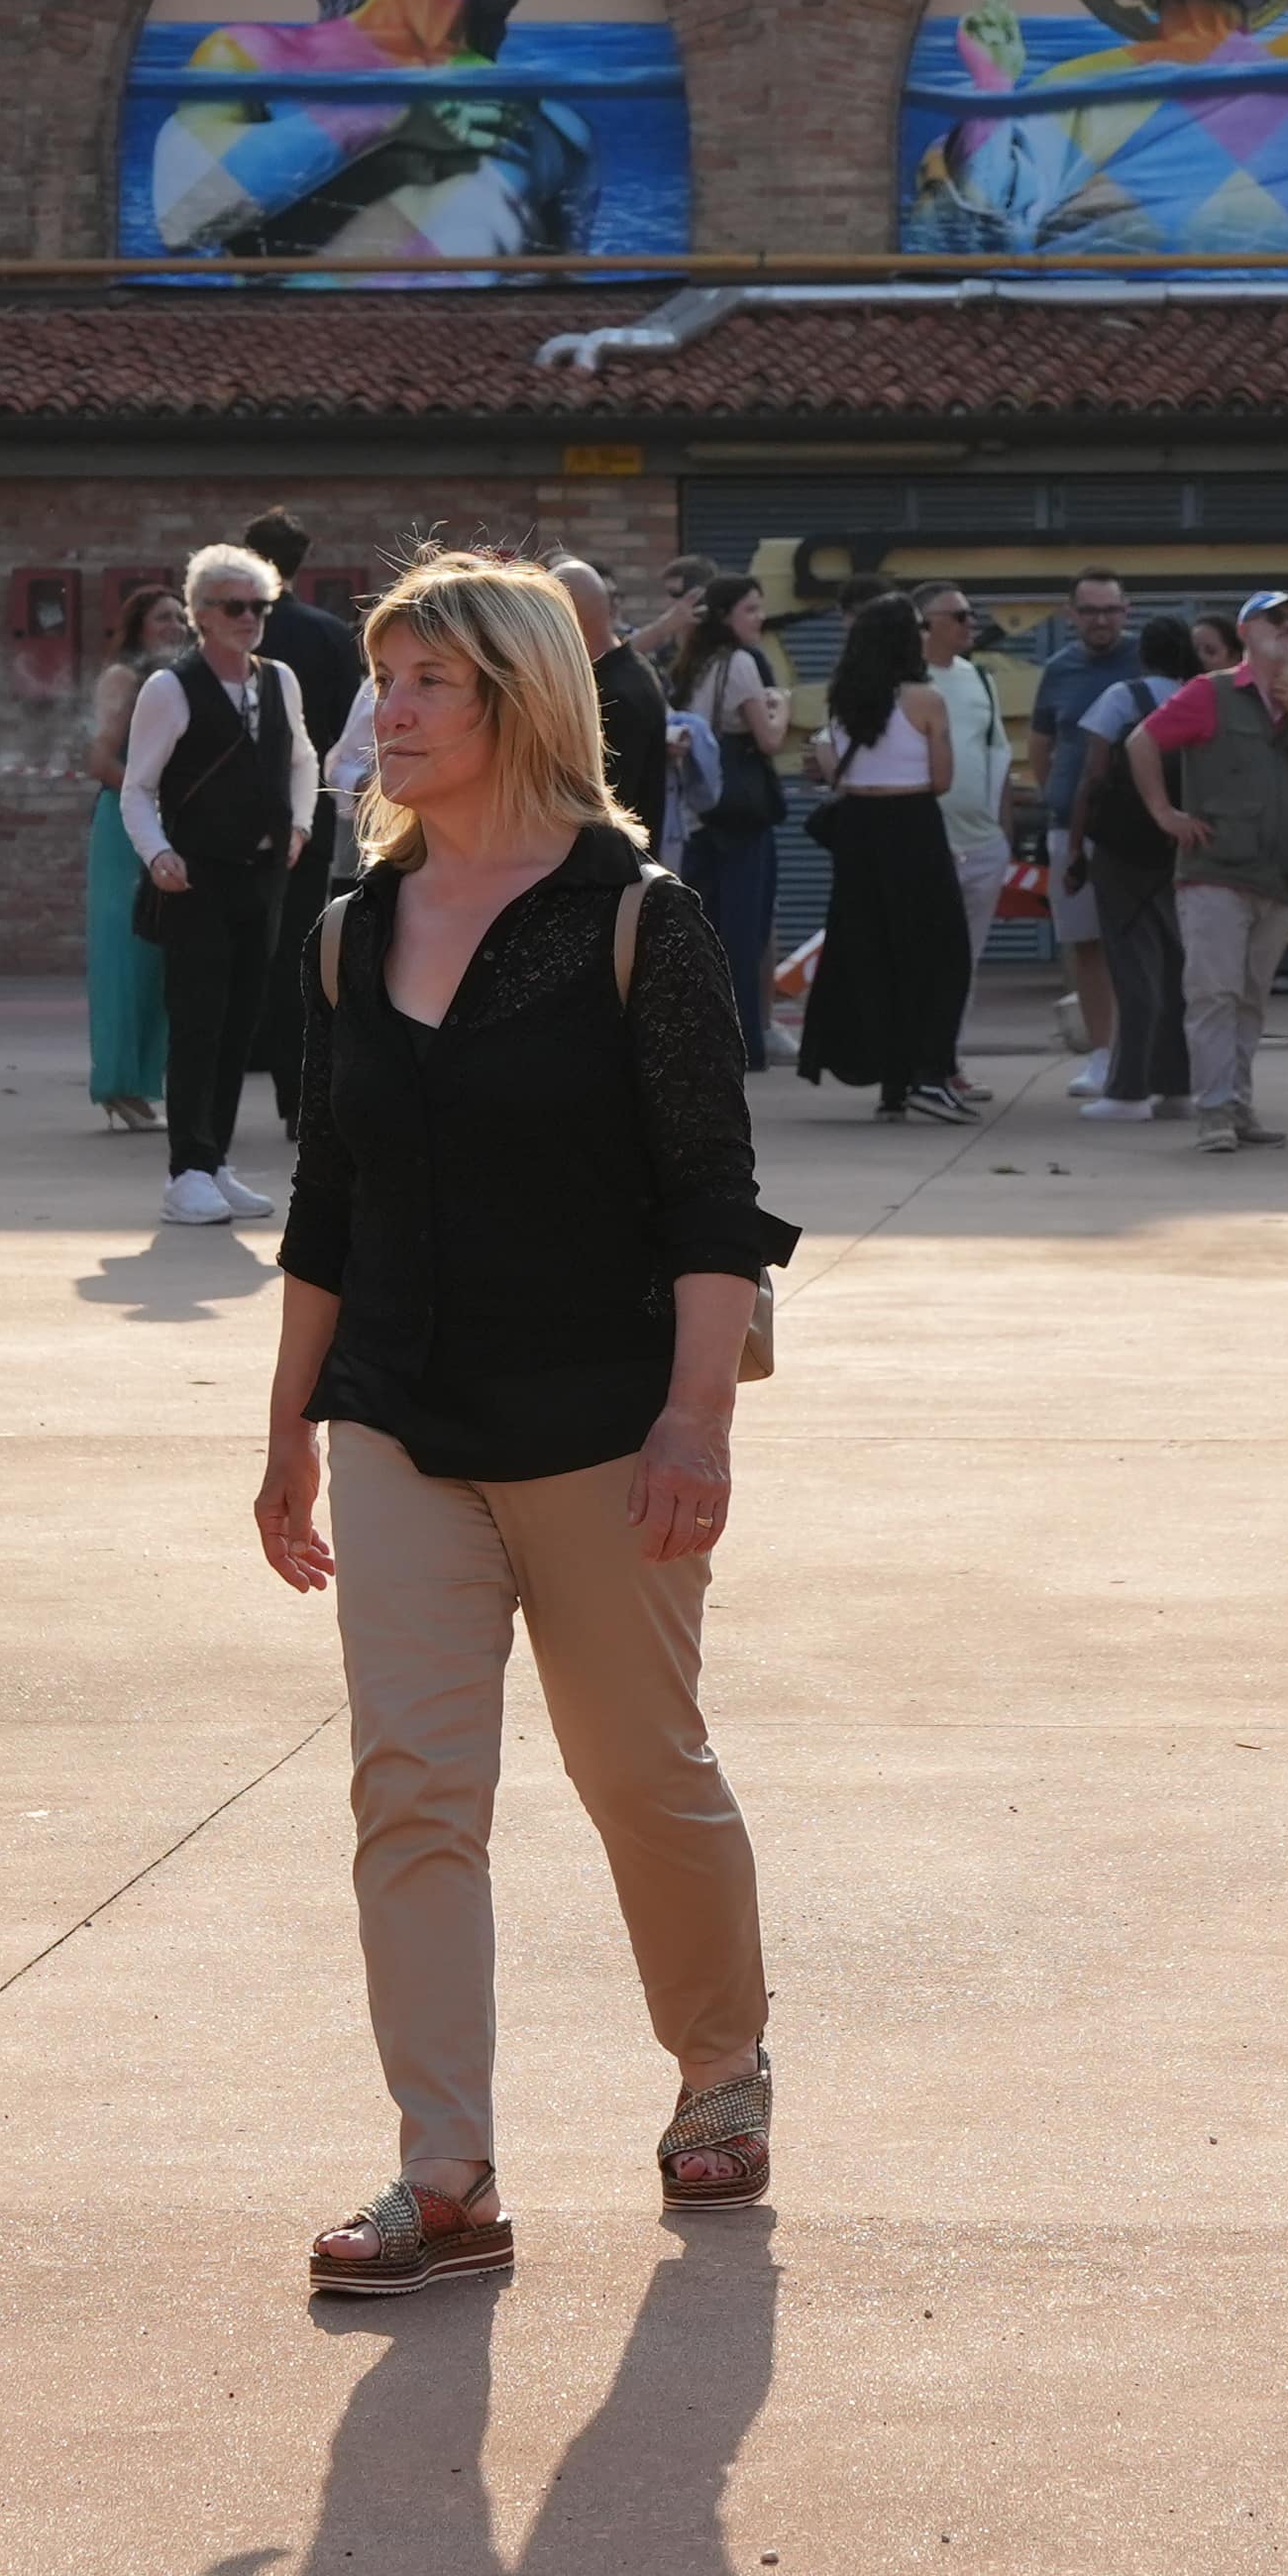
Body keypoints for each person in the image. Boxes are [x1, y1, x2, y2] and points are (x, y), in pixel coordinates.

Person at [252, 556, 796, 2296]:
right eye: (383, 680)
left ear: (519, 700)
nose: (387, 712)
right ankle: (447, 2173)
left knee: (638, 1770)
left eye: (426, 683)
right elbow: (329, 1202)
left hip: (602, 1423)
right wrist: (288, 1428)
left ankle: (720, 2064)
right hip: (397, 1419)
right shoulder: (349, 929)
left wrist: (696, 1424)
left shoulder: (640, 922)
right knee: (411, 1791)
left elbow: (712, 1201)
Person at [124, 543, 320, 1228]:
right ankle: (186, 1170)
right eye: (235, 607)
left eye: (259, 606)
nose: (250, 618)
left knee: (242, 1024)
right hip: (197, 879)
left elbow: (303, 759)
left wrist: (300, 826)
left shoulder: (280, 680)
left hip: (262, 877)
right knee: (198, 1022)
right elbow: (137, 789)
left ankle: (215, 1160)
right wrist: (157, 853)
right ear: (201, 614)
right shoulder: (169, 689)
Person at [1128, 591, 1288, 1153]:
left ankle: (1237, 1106)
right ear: (1245, 631)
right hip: (1215, 870)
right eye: (1276, 619)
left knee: (1250, 999)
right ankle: (1214, 1111)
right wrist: (1165, 814)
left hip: (1276, 873)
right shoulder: (1210, 692)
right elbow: (1142, 741)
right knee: (1213, 993)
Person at [791, 593, 986, 1125]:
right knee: (941, 952)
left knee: (872, 951)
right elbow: (942, 779)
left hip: (858, 830)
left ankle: (893, 1085)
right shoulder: (925, 700)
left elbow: (837, 772)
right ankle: (930, 1072)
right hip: (912, 825)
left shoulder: (844, 698)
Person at [242, 513, 367, 1129]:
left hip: (233, 818)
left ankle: (216, 1102)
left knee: (234, 953)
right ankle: (297, 1100)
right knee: (299, 953)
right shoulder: (328, 634)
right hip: (307, 811)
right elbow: (348, 734)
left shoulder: (227, 635)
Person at [1065, 616, 1197, 1121]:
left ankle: (1127, 1091)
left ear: (1144, 655)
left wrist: (1075, 849)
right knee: (1176, 965)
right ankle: (1177, 1086)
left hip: (1122, 850)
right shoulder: (1198, 697)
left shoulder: (1123, 697)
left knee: (1131, 966)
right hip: (1182, 847)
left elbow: (1093, 777)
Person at [658, 564, 787, 1067]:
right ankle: (746, 1042)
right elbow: (769, 739)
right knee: (744, 933)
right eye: (750, 609)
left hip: (701, 810)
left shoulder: (692, 663)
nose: (759, 618)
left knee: (705, 930)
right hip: (742, 814)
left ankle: (702, 1040)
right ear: (727, 616)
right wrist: (780, 706)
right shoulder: (742, 663)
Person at [1025, 569, 1151, 1077]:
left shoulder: (1149, 661)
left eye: (1111, 610)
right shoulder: (1058, 669)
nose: (1101, 620)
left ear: (1127, 610)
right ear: (1070, 614)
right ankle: (1102, 1056)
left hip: (1138, 833)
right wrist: (1056, 795)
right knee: (1086, 943)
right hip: (1071, 830)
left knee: (1141, 944)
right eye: (1090, 611)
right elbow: (1041, 742)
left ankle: (1141, 1055)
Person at [82, 580, 186, 1131]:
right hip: (125, 828)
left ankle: (142, 1085)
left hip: (166, 826)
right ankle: (118, 1082)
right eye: (163, 617)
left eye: (180, 618)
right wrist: (151, 795)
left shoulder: (177, 679)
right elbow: (100, 759)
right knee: (125, 953)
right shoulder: (124, 677)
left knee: (158, 960)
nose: (175, 627)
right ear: (138, 626)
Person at [911, 581, 1017, 990]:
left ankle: (952, 1034)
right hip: (925, 844)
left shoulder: (980, 679)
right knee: (921, 957)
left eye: (971, 614)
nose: (970, 623)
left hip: (982, 847)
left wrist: (1003, 835)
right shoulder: (901, 681)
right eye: (958, 616)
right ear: (924, 623)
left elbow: (997, 756)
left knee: (965, 961)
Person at [561, 559, 671, 833]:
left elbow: (607, 805)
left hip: (612, 854)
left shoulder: (616, 695)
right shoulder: (621, 671)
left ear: (568, 620)